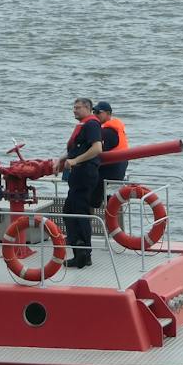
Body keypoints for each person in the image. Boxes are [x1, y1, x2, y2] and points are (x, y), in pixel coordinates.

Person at [54, 95, 102, 269]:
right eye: (74, 107)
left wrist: (75, 161)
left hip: (85, 172)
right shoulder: (84, 125)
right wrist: (62, 158)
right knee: (70, 209)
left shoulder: (91, 124)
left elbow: (97, 148)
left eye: (78, 107)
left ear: (88, 109)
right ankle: (79, 251)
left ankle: (83, 252)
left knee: (78, 211)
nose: (75, 110)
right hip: (78, 173)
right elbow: (77, 148)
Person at [93, 101, 129, 211]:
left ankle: (91, 216)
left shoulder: (107, 132)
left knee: (89, 198)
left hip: (109, 172)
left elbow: (97, 153)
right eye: (94, 112)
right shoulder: (117, 129)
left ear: (108, 114)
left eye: (98, 112)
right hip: (119, 171)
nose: (95, 115)